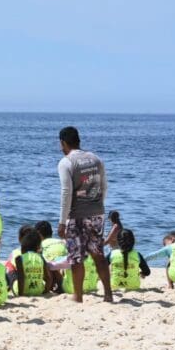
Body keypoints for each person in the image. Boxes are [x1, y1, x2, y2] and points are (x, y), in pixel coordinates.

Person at [57, 126, 112, 303]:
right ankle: (108, 294)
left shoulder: (66, 162)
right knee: (98, 253)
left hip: (76, 214)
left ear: (63, 143)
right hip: (97, 212)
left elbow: (66, 192)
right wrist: (98, 205)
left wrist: (62, 221)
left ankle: (78, 296)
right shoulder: (96, 159)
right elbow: (104, 186)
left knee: (76, 256)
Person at [14, 229, 52, 297]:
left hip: (24, 292)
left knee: (12, 278)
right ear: (38, 247)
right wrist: (46, 291)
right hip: (38, 291)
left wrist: (21, 295)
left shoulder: (19, 259)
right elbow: (48, 278)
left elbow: (21, 278)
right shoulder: (41, 258)